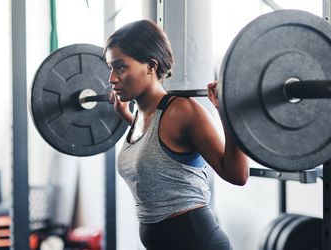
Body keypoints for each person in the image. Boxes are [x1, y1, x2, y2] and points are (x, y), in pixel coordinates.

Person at [103, 19, 249, 250]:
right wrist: (126, 117)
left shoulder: (183, 111)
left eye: (120, 67)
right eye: (110, 68)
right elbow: (155, 151)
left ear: (151, 66)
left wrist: (230, 113)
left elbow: (237, 175)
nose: (112, 78)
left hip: (197, 241)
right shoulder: (141, 116)